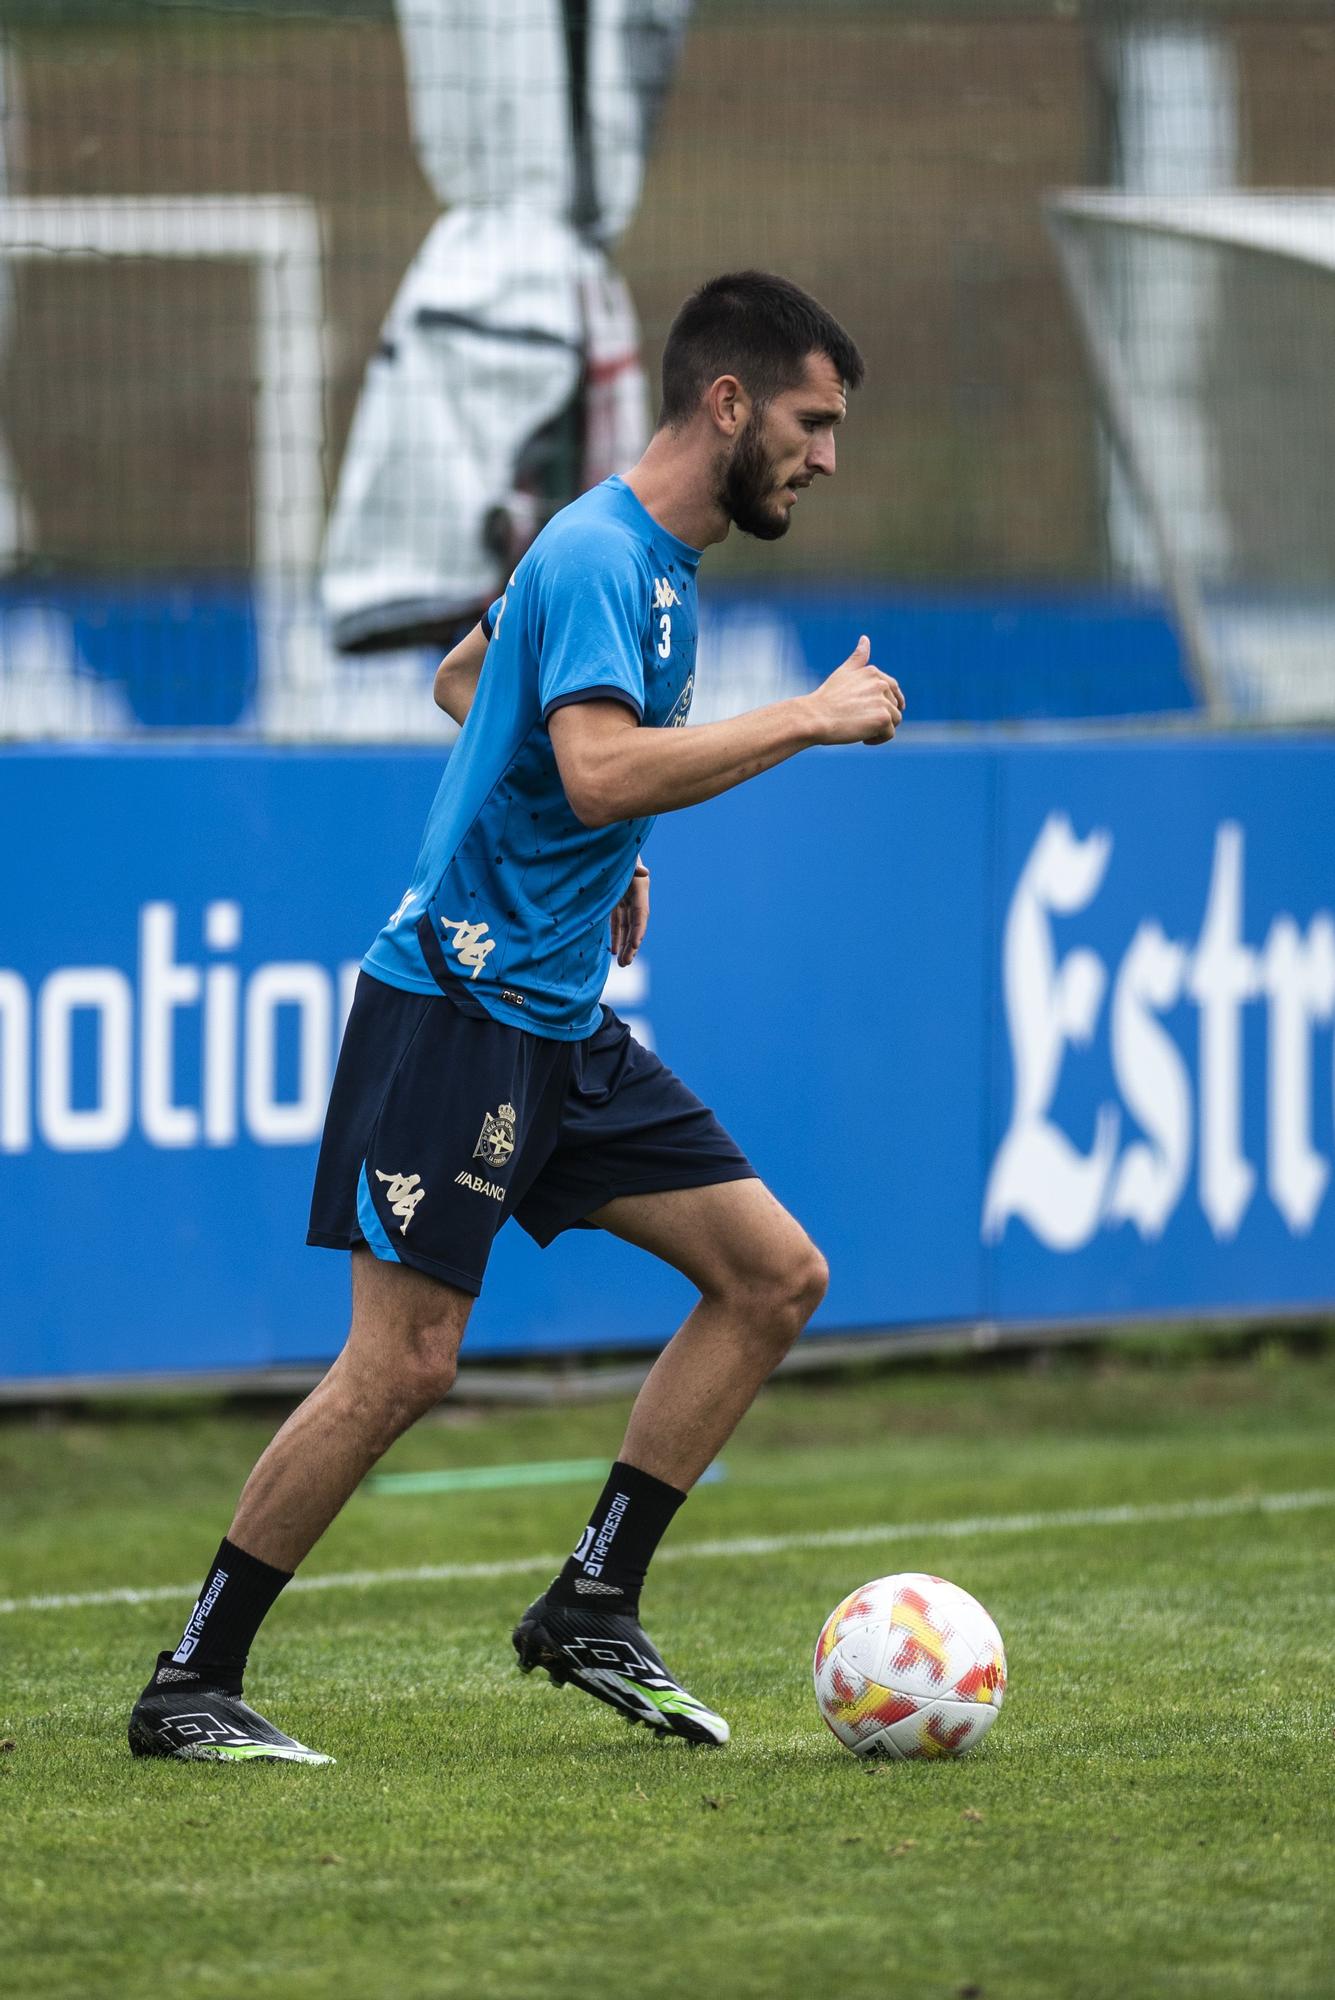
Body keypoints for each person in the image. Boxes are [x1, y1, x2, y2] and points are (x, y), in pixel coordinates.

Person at [128, 270, 905, 1764]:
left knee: (773, 1278)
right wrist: (800, 720)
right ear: (728, 403)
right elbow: (599, 761)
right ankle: (189, 1682)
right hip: (459, 1009)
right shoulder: (611, 555)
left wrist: (608, 858)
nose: (826, 457)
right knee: (404, 1366)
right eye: (813, 423)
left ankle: (594, 1601)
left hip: (557, 1020)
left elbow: (466, 678)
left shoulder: (642, 563)